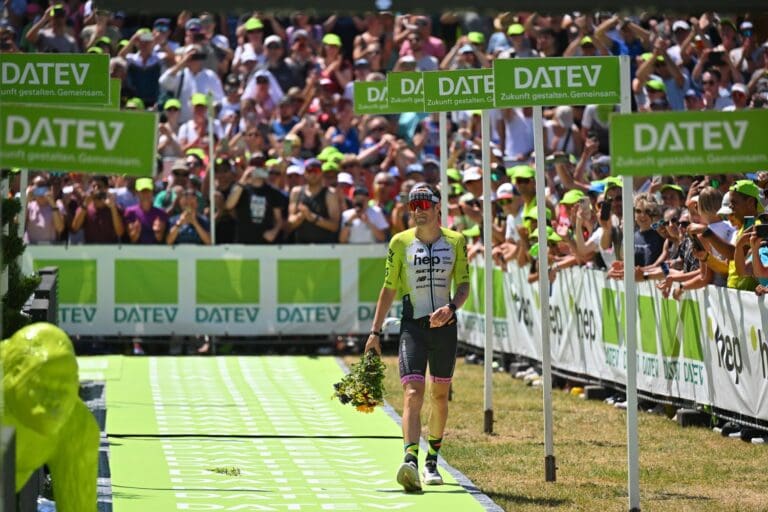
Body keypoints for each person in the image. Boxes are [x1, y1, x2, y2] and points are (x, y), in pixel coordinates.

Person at [364, 183, 470, 493]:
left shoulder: (456, 241)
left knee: (439, 396)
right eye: (413, 205)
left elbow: (463, 284)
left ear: (438, 208)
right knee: (412, 392)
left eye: (424, 204)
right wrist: (374, 332)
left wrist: (451, 308)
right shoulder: (399, 243)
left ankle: (432, 460)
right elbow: (388, 288)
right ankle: (410, 458)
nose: (418, 210)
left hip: (445, 328)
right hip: (412, 327)